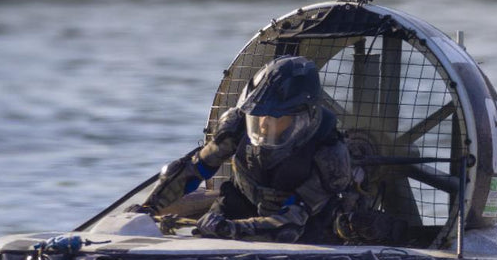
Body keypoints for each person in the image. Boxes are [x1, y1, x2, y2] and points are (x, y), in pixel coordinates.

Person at [131, 56, 353, 243]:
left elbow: (290, 224)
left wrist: (230, 231)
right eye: (259, 117)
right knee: (209, 221)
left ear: (305, 117)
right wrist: (150, 208)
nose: (264, 125)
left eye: (277, 118)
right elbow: (196, 168)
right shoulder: (237, 127)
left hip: (301, 226)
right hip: (239, 205)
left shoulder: (330, 154)